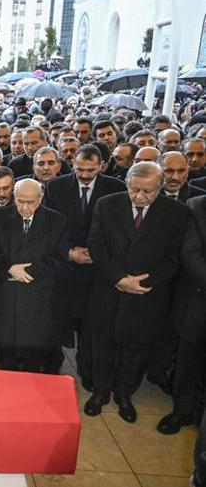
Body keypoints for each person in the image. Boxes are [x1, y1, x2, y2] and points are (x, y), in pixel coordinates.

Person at [84, 162, 188, 422]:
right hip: (108, 290)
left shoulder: (177, 213)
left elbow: (174, 258)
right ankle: (100, 392)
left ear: (161, 187)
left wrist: (143, 282)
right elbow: (96, 244)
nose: (140, 196)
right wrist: (119, 277)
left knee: (136, 350)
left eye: (148, 191)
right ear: (127, 183)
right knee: (102, 346)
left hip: (146, 295)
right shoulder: (107, 204)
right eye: (134, 190)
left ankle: (124, 394)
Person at [44, 145, 126, 386]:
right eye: (79, 169)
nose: (84, 174)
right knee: (58, 320)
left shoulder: (115, 188)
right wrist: (69, 253)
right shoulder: (56, 187)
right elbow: (49, 229)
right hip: (64, 267)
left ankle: (87, 369)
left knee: (92, 325)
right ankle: (52, 366)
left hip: (97, 271)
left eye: (91, 170)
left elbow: (118, 231)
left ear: (101, 166)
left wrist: (97, 254)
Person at [0, 178, 68, 373]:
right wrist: (9, 267)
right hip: (7, 292)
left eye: (30, 202)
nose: (24, 207)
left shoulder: (56, 220)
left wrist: (26, 272)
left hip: (38, 294)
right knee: (6, 351)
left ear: (40, 199)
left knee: (34, 351)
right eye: (20, 201)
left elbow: (59, 257)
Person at [158, 194, 206, 434]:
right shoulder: (198, 205)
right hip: (199, 302)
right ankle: (183, 411)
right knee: (189, 361)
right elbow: (190, 253)